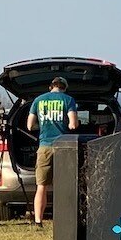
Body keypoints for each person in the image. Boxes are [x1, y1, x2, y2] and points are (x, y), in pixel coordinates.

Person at [30, 79, 78, 225]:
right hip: (63, 146)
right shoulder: (68, 100)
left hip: (44, 146)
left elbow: (29, 125)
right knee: (64, 184)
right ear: (64, 88)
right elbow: (73, 125)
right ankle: (64, 219)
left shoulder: (38, 100)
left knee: (41, 186)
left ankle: (38, 220)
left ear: (51, 87)